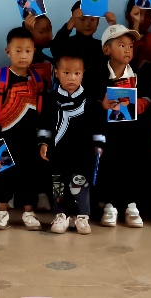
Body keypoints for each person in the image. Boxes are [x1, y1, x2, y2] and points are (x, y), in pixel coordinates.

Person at [0, 26, 48, 231]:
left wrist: (43, 140)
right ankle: (1, 212)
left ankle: (29, 213)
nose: (23, 55)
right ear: (8, 52)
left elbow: (44, 114)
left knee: (29, 177)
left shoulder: (39, 82)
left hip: (30, 140)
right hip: (3, 139)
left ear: (34, 51)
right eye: (18, 50)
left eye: (28, 51)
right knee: (2, 177)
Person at [91, 24, 150, 228]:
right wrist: (101, 105)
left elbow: (149, 98)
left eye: (130, 46)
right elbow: (88, 101)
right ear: (107, 49)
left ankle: (131, 205)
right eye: (122, 45)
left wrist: (141, 103)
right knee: (109, 166)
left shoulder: (138, 74)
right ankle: (110, 205)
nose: (127, 50)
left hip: (131, 132)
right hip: (107, 132)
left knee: (131, 165)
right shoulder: (97, 75)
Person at [38, 53, 103, 235]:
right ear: (57, 73)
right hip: (58, 152)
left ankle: (82, 216)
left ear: (83, 74)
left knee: (80, 183)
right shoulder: (51, 100)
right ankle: (61, 215)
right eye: (66, 73)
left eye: (77, 73)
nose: (72, 78)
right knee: (58, 184)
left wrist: (98, 144)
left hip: (83, 152)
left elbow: (97, 124)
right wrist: (43, 143)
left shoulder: (90, 100)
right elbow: (45, 125)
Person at [53, 1, 117, 80]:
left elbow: (119, 53)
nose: (87, 24)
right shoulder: (66, 44)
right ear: (73, 22)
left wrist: (113, 25)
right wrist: (71, 22)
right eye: (82, 19)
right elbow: (55, 48)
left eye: (92, 19)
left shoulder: (102, 46)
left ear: (98, 22)